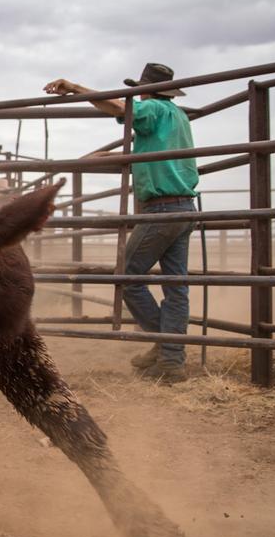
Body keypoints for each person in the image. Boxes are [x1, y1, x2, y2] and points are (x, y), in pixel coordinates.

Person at [44, 63, 198, 383]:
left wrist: (76, 87)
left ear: (146, 90)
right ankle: (171, 357)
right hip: (184, 207)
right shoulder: (177, 115)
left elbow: (115, 105)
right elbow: (131, 124)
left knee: (126, 276)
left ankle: (168, 348)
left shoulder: (153, 109)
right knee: (176, 285)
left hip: (162, 209)